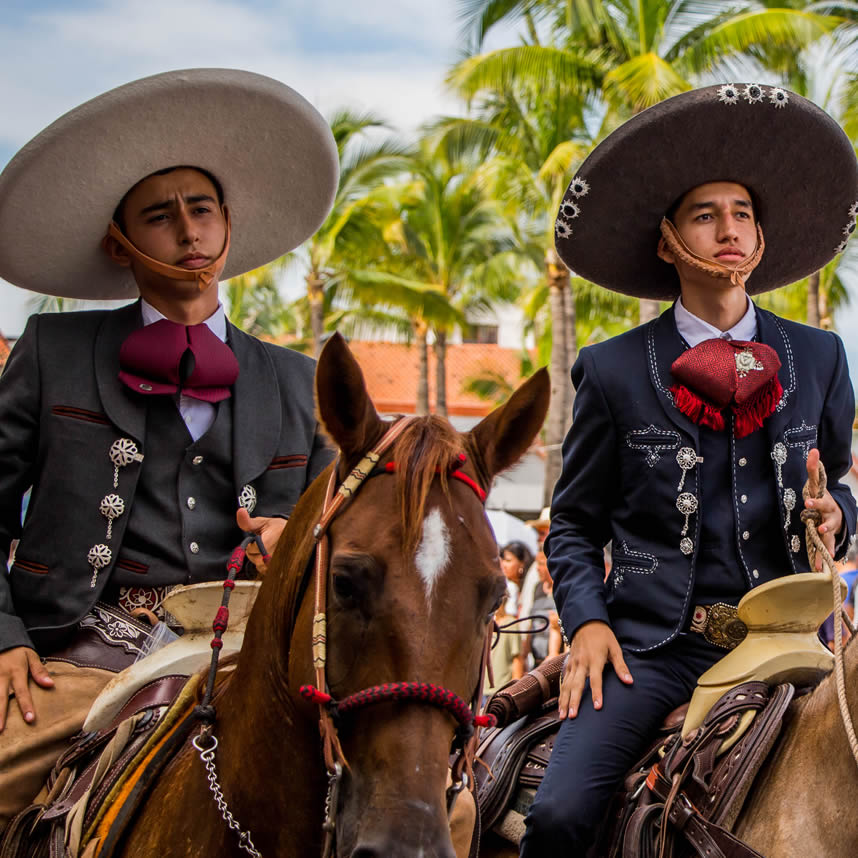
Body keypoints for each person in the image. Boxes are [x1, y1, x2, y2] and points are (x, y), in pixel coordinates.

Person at [521, 84, 858, 854]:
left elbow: (840, 485)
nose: (729, 229)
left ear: (761, 237)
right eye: (705, 215)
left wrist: (839, 511)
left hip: (798, 635)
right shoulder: (609, 370)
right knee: (561, 814)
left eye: (742, 213)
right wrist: (588, 624)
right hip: (652, 653)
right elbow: (572, 525)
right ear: (669, 240)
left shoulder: (822, 355)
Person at [0, 68, 340, 827]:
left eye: (203, 210)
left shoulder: (297, 381)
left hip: (251, 665)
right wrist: (3, 641)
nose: (189, 232)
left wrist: (296, 545)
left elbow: (342, 548)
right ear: (118, 244)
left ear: (229, 225)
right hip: (77, 657)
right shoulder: (52, 348)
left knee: (433, 816)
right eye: (161, 217)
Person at [499, 540, 534, 616]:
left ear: (521, 564)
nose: (503, 565)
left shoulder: (532, 587)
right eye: (502, 560)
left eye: (508, 560)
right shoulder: (505, 588)